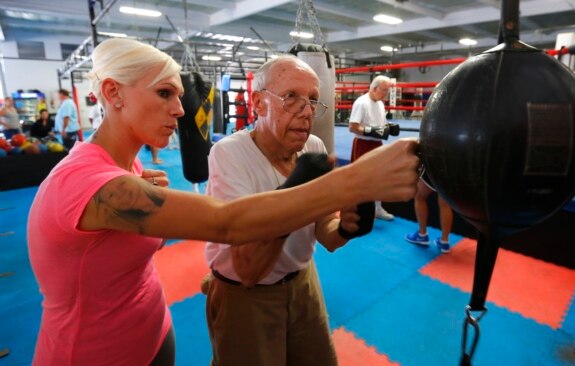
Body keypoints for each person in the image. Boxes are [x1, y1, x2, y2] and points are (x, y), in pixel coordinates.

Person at [27, 38, 419, 366]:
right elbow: (227, 226)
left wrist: (350, 226)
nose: (181, 109)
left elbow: (325, 235)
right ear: (113, 93)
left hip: (155, 334)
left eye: (180, 95)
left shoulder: (126, 172)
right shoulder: (92, 184)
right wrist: (354, 180)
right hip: (93, 353)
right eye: (165, 93)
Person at [205, 55, 376, 366]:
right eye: (291, 97)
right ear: (258, 103)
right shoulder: (229, 154)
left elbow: (325, 230)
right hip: (246, 294)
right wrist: (294, 191)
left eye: (312, 100)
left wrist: (347, 229)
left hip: (302, 282)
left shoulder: (313, 148)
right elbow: (248, 268)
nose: (307, 111)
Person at [348, 75, 400, 221]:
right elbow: (352, 127)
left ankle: (377, 208)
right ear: (374, 88)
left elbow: (381, 126)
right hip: (362, 144)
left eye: (387, 91)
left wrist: (388, 128)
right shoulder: (361, 103)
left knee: (379, 176)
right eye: (383, 90)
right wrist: (369, 131)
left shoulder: (381, 104)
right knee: (359, 177)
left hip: (376, 144)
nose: (385, 94)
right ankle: (355, 208)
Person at [405, 168, 454, 253]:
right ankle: (444, 241)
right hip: (451, 168)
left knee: (419, 197)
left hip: (435, 165)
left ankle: (422, 234)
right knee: (445, 204)